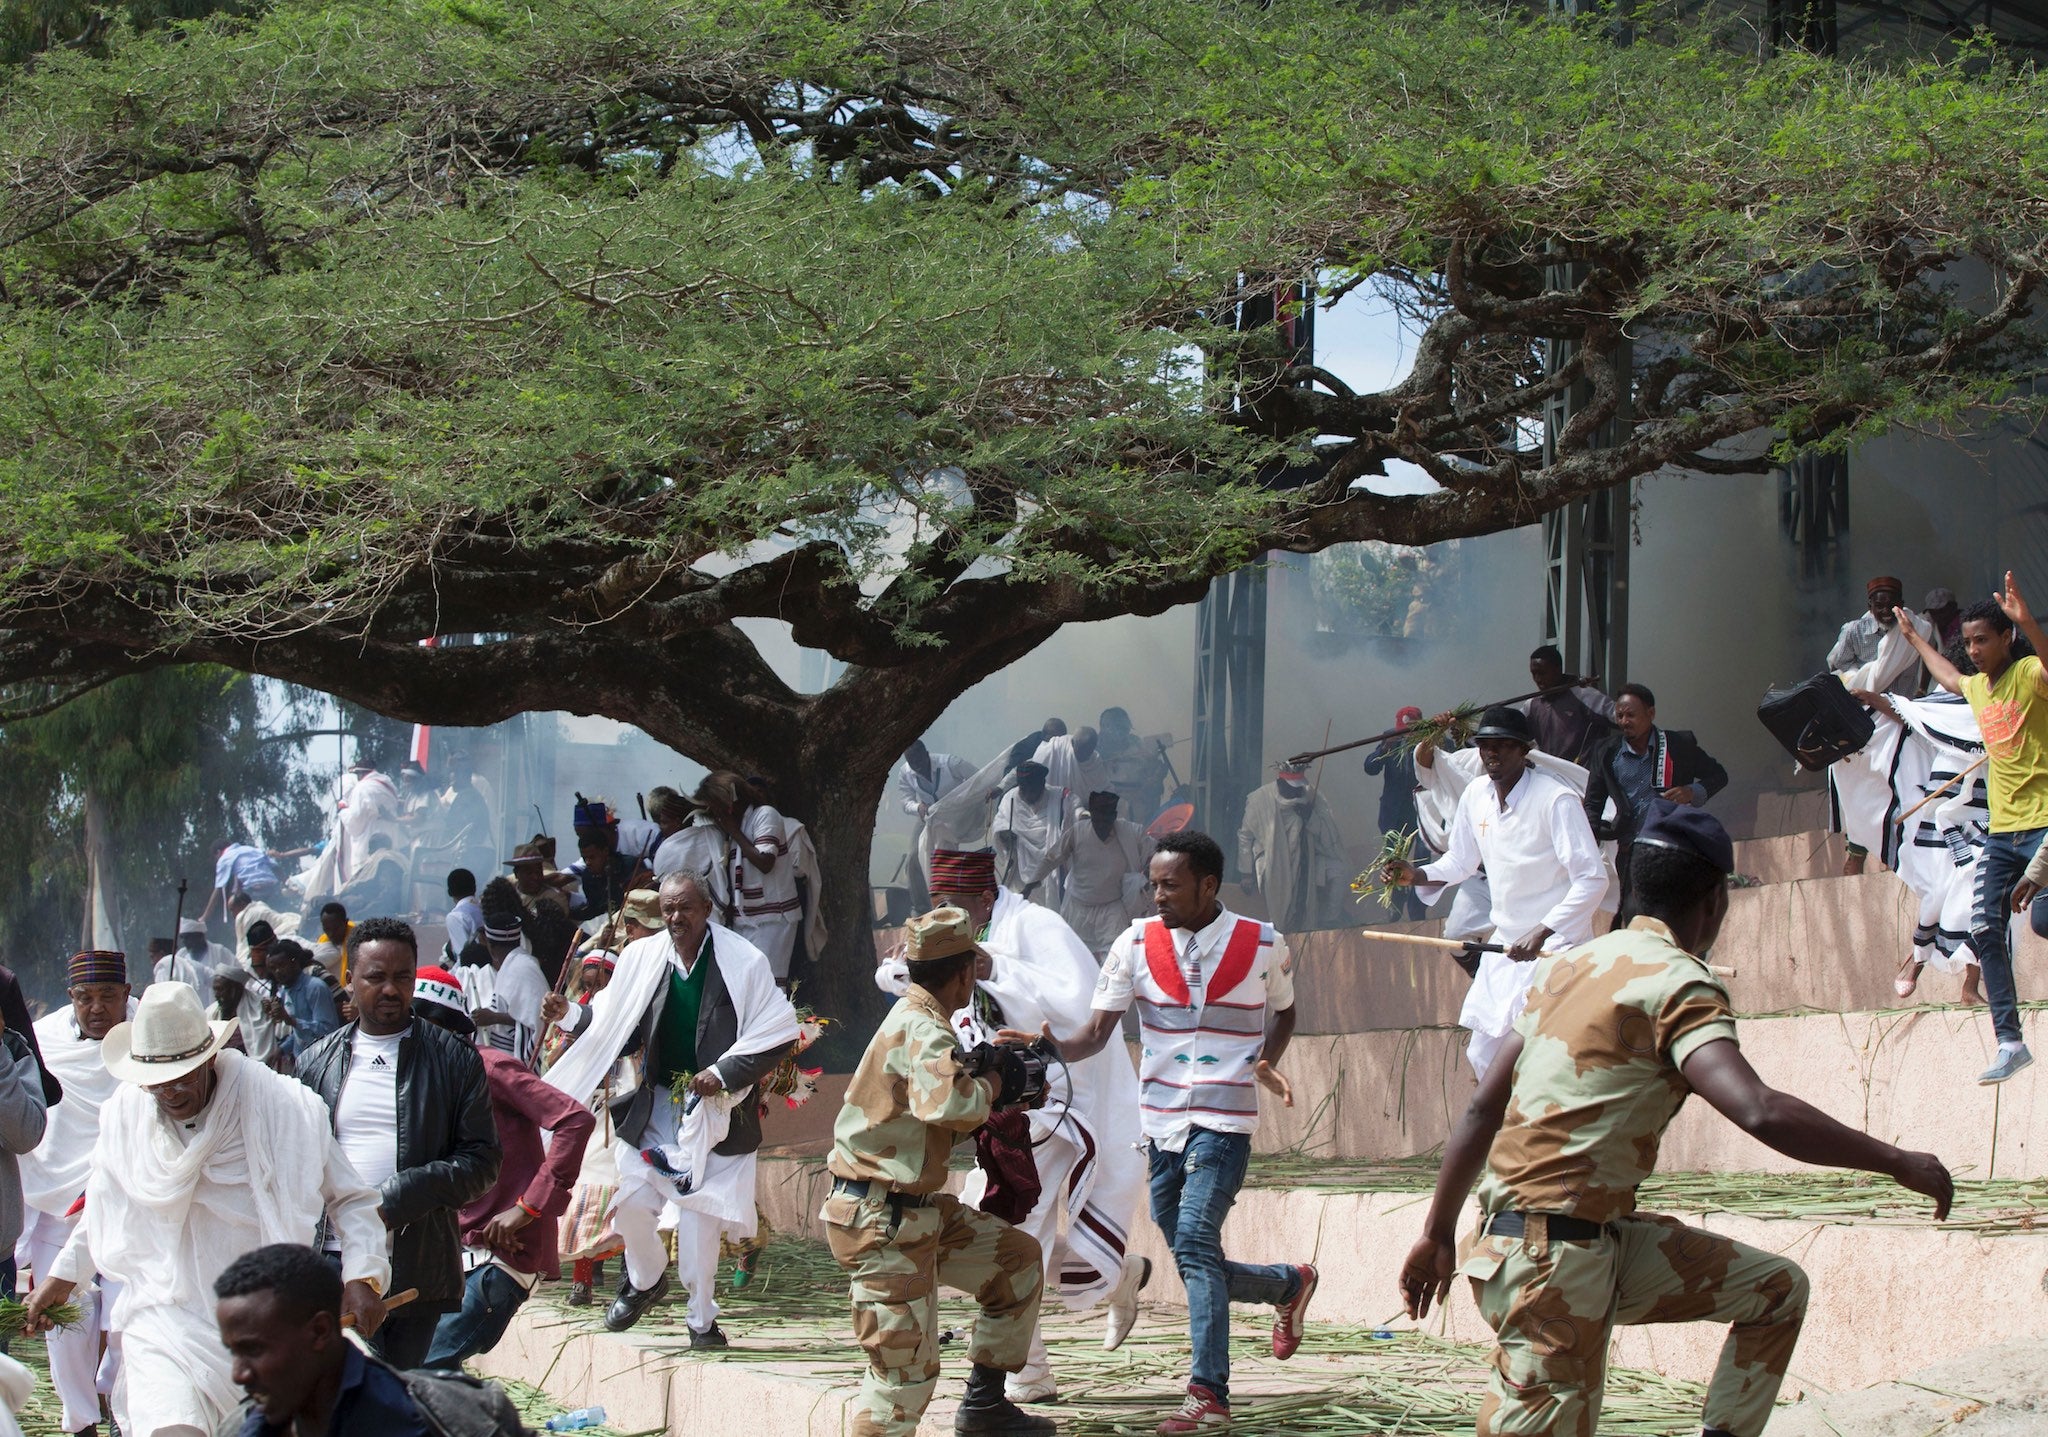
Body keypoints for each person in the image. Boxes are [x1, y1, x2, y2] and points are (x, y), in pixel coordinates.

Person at [1397, 805, 1954, 1437]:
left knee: (1774, 1290)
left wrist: (1438, 1231)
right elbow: (1759, 1109)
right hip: (1552, 1259)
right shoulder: (1679, 982)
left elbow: (1480, 1108)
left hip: (1566, 1241)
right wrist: (1899, 1161)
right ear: (1715, 902)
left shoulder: (1566, 967)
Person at [1021, 832, 1312, 1436]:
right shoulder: (1132, 943)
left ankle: (1208, 1394)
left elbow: (1284, 1010)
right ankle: (1288, 1283)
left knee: (1197, 1241)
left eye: (1170, 884)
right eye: (1154, 883)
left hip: (1224, 1124)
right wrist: (1045, 1047)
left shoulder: (1262, 942)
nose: (1157, 894)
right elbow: (1095, 1035)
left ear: (1208, 885)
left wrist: (1266, 1059)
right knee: (1190, 1254)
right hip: (1160, 1125)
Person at [21, 984, 391, 1437]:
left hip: (265, 1322)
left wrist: (364, 1276)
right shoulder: (126, 1116)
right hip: (165, 1317)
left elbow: (350, 1198)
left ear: (210, 1058)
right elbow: (103, 1206)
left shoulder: (280, 1107)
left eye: (183, 1076)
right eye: (158, 1081)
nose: (171, 1092)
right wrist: (61, 1281)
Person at [907, 848, 1149, 1404]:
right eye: (935, 905)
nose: (943, 915)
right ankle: (1118, 1275)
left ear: (986, 899)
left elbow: (1079, 1007)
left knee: (1015, 1233)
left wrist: (998, 968)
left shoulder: (1037, 926)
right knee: (989, 1229)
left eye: (953, 905)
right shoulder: (959, 938)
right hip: (998, 1107)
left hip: (1060, 1103)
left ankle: (1027, 1374)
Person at [541, 871, 800, 1346]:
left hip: (719, 1110)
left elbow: (778, 1030)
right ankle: (644, 1280)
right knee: (632, 1209)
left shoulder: (744, 961)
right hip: (658, 1102)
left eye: (685, 908)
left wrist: (721, 1075)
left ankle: (701, 1320)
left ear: (707, 908)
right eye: (668, 910)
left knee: (700, 1224)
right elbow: (611, 1021)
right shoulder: (642, 957)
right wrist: (569, 1015)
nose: (675, 917)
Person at [822, 906, 1053, 1437]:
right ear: (968, 971)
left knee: (1016, 1264)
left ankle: (985, 1408)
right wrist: (999, 1084)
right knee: (903, 1377)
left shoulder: (920, 1019)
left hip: (913, 1213)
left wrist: (988, 1066)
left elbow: (935, 1101)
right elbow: (949, 1106)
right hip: (882, 1223)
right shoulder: (923, 1028)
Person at [295, 918, 501, 1369]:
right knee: (330, 1402)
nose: (390, 989)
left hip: (416, 1264)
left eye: (402, 977)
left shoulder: (454, 1059)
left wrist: (397, 1198)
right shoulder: (313, 1063)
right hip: (331, 1261)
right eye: (375, 977)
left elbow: (483, 1162)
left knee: (396, 1403)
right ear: (349, 981)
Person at [1385, 706, 1607, 1078]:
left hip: (1557, 950)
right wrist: (1417, 874)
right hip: (1506, 948)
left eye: (1504, 746)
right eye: (1486, 745)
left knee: (1546, 1057)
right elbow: (1460, 861)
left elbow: (1592, 879)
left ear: (1524, 751)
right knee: (1485, 1056)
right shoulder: (1475, 795)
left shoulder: (1556, 800)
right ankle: (1508, 1132)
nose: (1492, 753)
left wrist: (1542, 930)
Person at [1895, 576, 2048, 1083]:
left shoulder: (2028, 672)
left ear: (2006, 637)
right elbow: (1950, 680)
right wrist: (1916, 641)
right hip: (2003, 834)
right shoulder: (1978, 688)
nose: (1974, 650)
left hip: (2044, 827)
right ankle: (2009, 1042)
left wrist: (2030, 622)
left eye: (1983, 639)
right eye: (1968, 642)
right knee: (1984, 927)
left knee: (2043, 922)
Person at [408, 969, 596, 1370]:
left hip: (500, 1259)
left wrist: (527, 1208)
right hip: (450, 1257)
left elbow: (574, 1120)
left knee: (420, 1370)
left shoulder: (492, 1068)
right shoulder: (419, 1085)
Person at [215, 1243, 534, 1437]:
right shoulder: (238, 1429)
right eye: (234, 1353)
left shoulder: (458, 1418)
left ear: (320, 1331)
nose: (238, 1374)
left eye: (254, 1350)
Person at [17, 951, 130, 1437]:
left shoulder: (158, 1037)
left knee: (132, 1327)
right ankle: (81, 1425)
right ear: (71, 999)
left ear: (127, 994)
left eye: (108, 996)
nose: (97, 1008)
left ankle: (130, 1420)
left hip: (133, 1208)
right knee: (65, 1329)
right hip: (61, 1211)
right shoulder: (42, 1044)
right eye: (86, 998)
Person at [1582, 682, 1730, 912]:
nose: (1624, 722)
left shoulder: (1679, 745)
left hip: (1671, 847)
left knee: (1674, 912)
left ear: (1651, 713)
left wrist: (1691, 791)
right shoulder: (1606, 752)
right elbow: (1593, 802)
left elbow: (1718, 775)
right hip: (1629, 849)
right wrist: (1588, 842)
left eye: (1631, 715)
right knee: (1634, 914)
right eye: (1619, 716)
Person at [697, 771, 803, 985]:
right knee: (747, 984)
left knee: (766, 984)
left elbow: (765, 862)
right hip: (746, 920)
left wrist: (733, 831)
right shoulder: (739, 826)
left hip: (773, 919)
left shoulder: (765, 815)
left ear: (729, 802)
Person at [1037, 791, 1153, 960]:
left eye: (1106, 820)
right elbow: (1051, 859)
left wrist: (1150, 872)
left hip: (1112, 911)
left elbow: (1154, 853)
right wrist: (1032, 882)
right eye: (1097, 819)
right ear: (1092, 816)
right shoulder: (1077, 833)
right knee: (1075, 958)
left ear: (1114, 816)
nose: (1101, 825)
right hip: (1078, 909)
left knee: (1115, 958)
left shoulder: (1131, 832)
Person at [1236, 767, 1348, 932]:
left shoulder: (1311, 797)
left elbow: (1328, 836)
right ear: (1281, 783)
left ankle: (1329, 921)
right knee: (1282, 906)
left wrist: (1310, 818)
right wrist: (1246, 873)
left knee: (1340, 870)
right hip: (1273, 862)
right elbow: (1245, 836)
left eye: (1298, 787)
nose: (1296, 791)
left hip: (1307, 861)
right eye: (1292, 787)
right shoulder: (1260, 800)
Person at [460, 879, 551, 1065]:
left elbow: (535, 1021)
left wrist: (493, 1017)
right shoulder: (512, 965)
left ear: (490, 946)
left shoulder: (522, 970)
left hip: (525, 1063)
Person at [1363, 707, 1428, 919]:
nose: (1406, 735)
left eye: (1411, 730)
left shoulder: (1429, 740)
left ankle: (1418, 908)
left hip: (1422, 813)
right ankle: (1396, 907)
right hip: (1394, 813)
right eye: (1403, 730)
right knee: (1394, 861)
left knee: (1421, 859)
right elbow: (1370, 768)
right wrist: (1384, 748)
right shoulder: (1390, 739)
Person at [899, 741, 979, 911]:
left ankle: (956, 901)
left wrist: (968, 800)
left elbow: (979, 778)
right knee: (913, 856)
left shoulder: (951, 763)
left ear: (926, 754)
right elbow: (906, 802)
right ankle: (923, 907)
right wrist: (918, 807)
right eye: (913, 764)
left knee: (946, 855)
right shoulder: (905, 772)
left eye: (920, 762)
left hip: (958, 814)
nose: (918, 768)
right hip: (928, 816)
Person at [1517, 646, 1616, 764]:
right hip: (1548, 775)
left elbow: (1622, 717)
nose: (1537, 679)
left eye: (1542, 673)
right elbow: (1511, 730)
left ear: (1557, 670)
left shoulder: (1585, 696)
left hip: (1581, 775)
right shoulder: (1532, 705)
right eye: (1534, 673)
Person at [991, 761, 1071, 906]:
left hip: (1051, 872)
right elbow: (999, 824)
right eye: (1024, 789)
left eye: (1032, 789)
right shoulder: (1011, 799)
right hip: (1019, 871)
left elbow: (1075, 819)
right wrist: (1005, 835)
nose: (1027, 794)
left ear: (1042, 784)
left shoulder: (1059, 798)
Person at [261, 941, 341, 1056]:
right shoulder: (285, 992)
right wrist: (280, 1051)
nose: (277, 972)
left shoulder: (315, 987)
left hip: (324, 1058)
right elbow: (299, 1034)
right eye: (273, 968)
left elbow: (327, 1030)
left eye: (281, 965)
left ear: (294, 962)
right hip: (303, 1062)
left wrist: (290, 1020)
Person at [1097, 707, 1169, 820]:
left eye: (1120, 726)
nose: (1115, 731)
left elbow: (1157, 777)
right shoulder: (1094, 753)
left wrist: (1155, 778)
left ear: (1126, 728)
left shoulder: (1139, 749)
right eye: (1108, 726)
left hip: (1138, 813)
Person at [332, 832, 409, 919]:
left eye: (370, 848)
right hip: (366, 904)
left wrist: (357, 916)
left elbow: (388, 897)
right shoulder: (395, 859)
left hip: (375, 909)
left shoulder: (386, 860)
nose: (368, 852)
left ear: (373, 848)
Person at [1034, 726, 1111, 802]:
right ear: (1073, 743)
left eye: (1088, 751)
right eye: (1081, 750)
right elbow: (1036, 771)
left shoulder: (1095, 762)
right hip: (1050, 806)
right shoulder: (1054, 749)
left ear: (1094, 747)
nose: (1084, 754)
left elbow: (1104, 789)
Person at [156, 921, 220, 1000]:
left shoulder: (218, 952)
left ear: (199, 937)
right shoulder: (178, 958)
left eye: (187, 937)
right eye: (182, 937)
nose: (184, 941)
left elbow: (221, 981)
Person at [442, 871, 482, 967]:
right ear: (475, 888)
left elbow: (463, 958)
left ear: (449, 892)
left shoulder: (455, 916)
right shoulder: (484, 908)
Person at [309, 903, 352, 984]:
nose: (331, 934)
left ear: (346, 922)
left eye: (336, 929)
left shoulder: (358, 941)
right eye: (327, 929)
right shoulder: (323, 940)